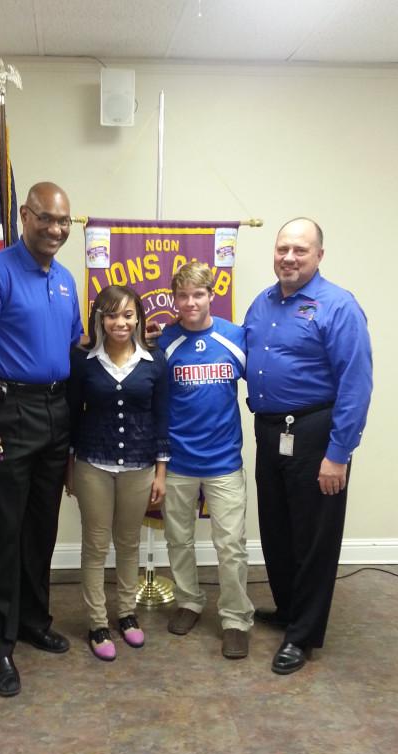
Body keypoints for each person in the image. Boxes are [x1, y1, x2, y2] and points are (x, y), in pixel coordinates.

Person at [0, 182, 82, 698]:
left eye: (64, 222)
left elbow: (75, 343)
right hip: (9, 411)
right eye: (46, 219)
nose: (55, 229)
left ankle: (32, 620)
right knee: (4, 533)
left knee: (40, 527)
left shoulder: (66, 278)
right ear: (25, 216)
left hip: (56, 409)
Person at [244, 217, 373, 674]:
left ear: (319, 255)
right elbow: (242, 358)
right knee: (277, 529)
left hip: (317, 435)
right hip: (270, 431)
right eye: (282, 249)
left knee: (313, 538)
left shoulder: (338, 306)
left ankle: (303, 636)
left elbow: (355, 384)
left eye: (300, 250)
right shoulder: (261, 304)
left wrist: (338, 454)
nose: (289, 257)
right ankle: (288, 611)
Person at [66, 286, 169, 661]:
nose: (120, 322)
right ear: (99, 319)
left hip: (140, 466)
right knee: (95, 545)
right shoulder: (84, 361)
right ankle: (96, 622)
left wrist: (161, 471)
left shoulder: (155, 360)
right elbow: (73, 415)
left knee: (128, 543)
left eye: (127, 315)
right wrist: (69, 467)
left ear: (138, 318)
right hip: (93, 462)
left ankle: (126, 614)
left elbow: (162, 417)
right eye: (111, 315)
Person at [157, 261, 254, 659]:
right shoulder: (165, 341)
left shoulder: (235, 338)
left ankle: (235, 618)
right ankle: (189, 601)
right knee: (178, 539)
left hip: (224, 461)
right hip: (179, 461)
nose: (191, 302)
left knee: (230, 545)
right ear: (174, 299)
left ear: (211, 295)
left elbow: (267, 383)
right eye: (183, 296)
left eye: (199, 294)